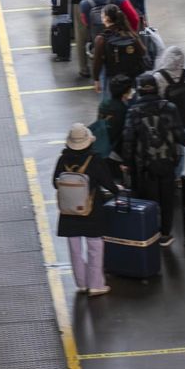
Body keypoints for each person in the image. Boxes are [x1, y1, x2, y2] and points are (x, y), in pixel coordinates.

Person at [53, 122, 125, 297]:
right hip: (91, 210)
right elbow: (107, 182)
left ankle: (81, 283)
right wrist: (118, 191)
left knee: (75, 249)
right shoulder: (94, 160)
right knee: (95, 246)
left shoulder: (63, 159)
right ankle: (96, 284)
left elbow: (55, 183)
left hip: (69, 212)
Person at [122, 72, 185, 247]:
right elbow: (179, 134)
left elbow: (128, 140)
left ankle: (150, 233)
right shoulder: (169, 107)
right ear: (157, 88)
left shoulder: (133, 112)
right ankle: (165, 234)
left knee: (149, 201)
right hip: (167, 162)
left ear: (139, 91)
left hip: (145, 165)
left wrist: (127, 163)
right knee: (167, 199)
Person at [93, 2, 147, 99]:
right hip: (131, 78)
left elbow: (97, 62)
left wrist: (96, 79)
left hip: (112, 78)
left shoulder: (101, 39)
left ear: (106, 18)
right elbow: (143, 52)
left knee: (112, 105)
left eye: (102, 14)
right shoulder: (131, 34)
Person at [156, 45, 185, 169]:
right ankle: (178, 176)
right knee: (180, 150)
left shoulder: (158, 78)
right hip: (184, 120)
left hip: (165, 124)